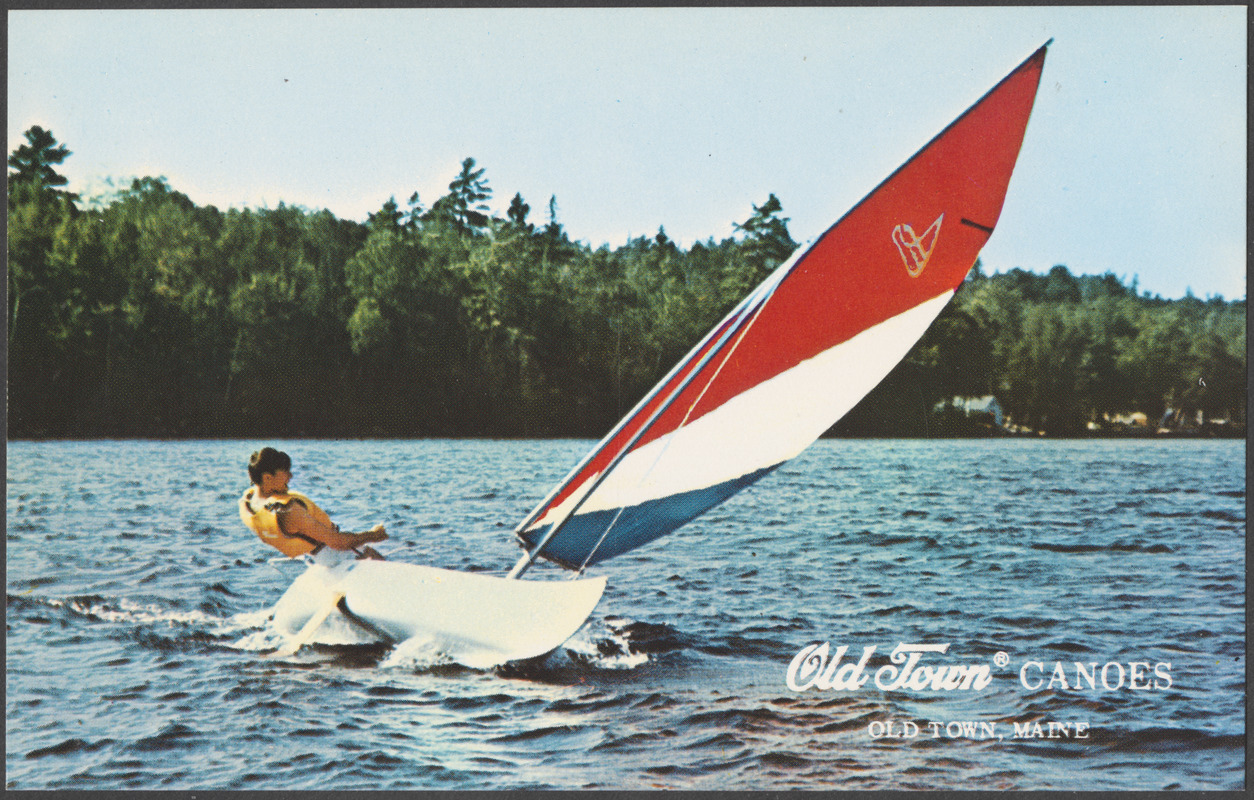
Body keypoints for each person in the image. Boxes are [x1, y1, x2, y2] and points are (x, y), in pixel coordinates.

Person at [239, 447, 387, 563]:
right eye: (285, 472)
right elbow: (338, 542)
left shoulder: (249, 502)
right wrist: (373, 535)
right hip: (333, 554)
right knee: (381, 563)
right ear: (267, 477)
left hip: (314, 556)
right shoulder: (289, 511)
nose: (290, 476)